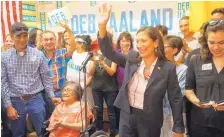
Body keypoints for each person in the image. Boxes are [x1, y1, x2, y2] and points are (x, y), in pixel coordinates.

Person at [97, 3, 184, 137]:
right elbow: (109, 52)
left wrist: (178, 127)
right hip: (127, 115)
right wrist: (102, 26)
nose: (140, 45)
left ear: (155, 43)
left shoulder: (167, 68)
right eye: (137, 41)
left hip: (150, 120)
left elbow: (175, 98)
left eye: (143, 41)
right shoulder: (133, 58)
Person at [1, 22, 60, 137]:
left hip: (35, 100)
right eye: (18, 36)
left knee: (43, 131)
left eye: (25, 36)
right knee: (18, 134)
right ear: (12, 36)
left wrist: (52, 96)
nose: (22, 39)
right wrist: (8, 106)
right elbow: (3, 83)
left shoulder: (38, 55)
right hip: (15, 101)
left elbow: (46, 78)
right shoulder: (4, 57)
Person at [185, 19, 224, 137]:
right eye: (211, 42)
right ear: (205, 41)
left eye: (222, 42)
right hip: (201, 124)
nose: (216, 47)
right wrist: (195, 100)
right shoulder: (196, 60)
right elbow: (188, 89)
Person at [161, 36, 187, 137]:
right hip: (158, 115)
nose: (160, 49)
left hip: (174, 116)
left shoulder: (183, 70)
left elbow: (178, 96)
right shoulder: (155, 68)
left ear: (175, 50)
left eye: (164, 46)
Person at [41, 22, 76, 97]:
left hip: (60, 93)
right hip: (43, 94)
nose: (49, 42)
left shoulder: (61, 53)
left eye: (51, 39)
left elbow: (73, 47)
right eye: (46, 40)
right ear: (41, 42)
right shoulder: (38, 56)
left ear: (55, 40)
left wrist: (68, 30)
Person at [91, 50, 118, 137]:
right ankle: (99, 131)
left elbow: (112, 72)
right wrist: (92, 63)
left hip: (110, 89)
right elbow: (91, 73)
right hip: (96, 88)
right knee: (98, 110)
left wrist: (103, 64)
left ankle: (113, 132)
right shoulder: (94, 55)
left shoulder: (113, 56)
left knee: (111, 111)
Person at [66, 35, 95, 109]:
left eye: (75, 43)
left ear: (81, 44)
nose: (71, 45)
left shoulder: (89, 56)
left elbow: (91, 76)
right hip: (71, 88)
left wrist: (81, 88)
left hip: (82, 89)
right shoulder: (74, 53)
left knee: (84, 111)